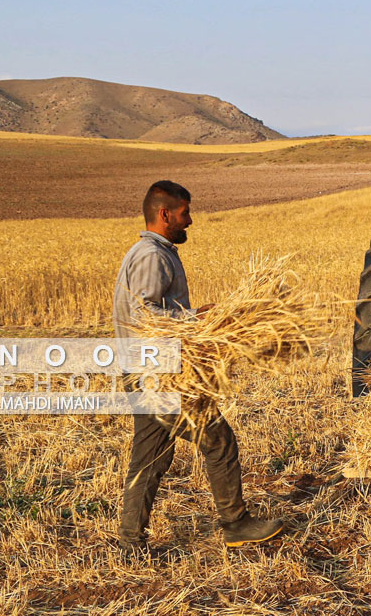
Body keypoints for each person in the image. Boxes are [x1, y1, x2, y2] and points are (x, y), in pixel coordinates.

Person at [113, 180, 284, 556]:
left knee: (150, 458)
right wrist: (196, 320)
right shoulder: (151, 256)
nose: (189, 220)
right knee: (218, 440)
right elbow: (146, 315)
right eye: (184, 212)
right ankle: (236, 525)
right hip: (156, 374)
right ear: (165, 214)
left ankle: (129, 544)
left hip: (147, 370)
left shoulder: (154, 252)